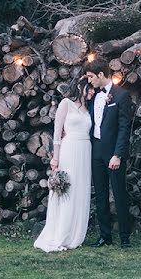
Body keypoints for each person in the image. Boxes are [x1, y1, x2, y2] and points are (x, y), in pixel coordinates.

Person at [33, 74, 93, 252]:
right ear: (82, 87)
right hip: (69, 149)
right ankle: (60, 232)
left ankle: (75, 234)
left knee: (80, 191)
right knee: (67, 189)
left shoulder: (88, 108)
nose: (93, 92)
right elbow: (57, 134)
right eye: (91, 88)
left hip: (85, 150)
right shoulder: (66, 104)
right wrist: (55, 158)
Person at [85, 56, 134, 248]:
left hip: (113, 153)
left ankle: (124, 237)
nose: (89, 80)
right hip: (96, 150)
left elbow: (124, 127)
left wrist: (118, 155)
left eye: (91, 77)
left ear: (100, 74)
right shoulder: (94, 96)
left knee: (119, 194)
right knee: (101, 194)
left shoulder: (121, 95)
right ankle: (105, 235)